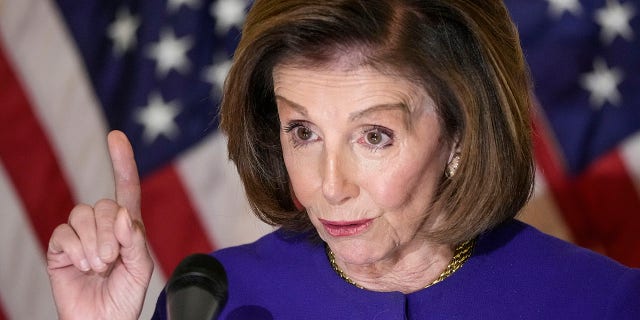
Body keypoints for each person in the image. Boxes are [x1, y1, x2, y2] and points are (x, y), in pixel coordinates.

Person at [47, 0, 640, 319]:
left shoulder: (602, 305)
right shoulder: (216, 301)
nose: (329, 186)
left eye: (374, 136)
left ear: (462, 135)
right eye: (302, 130)